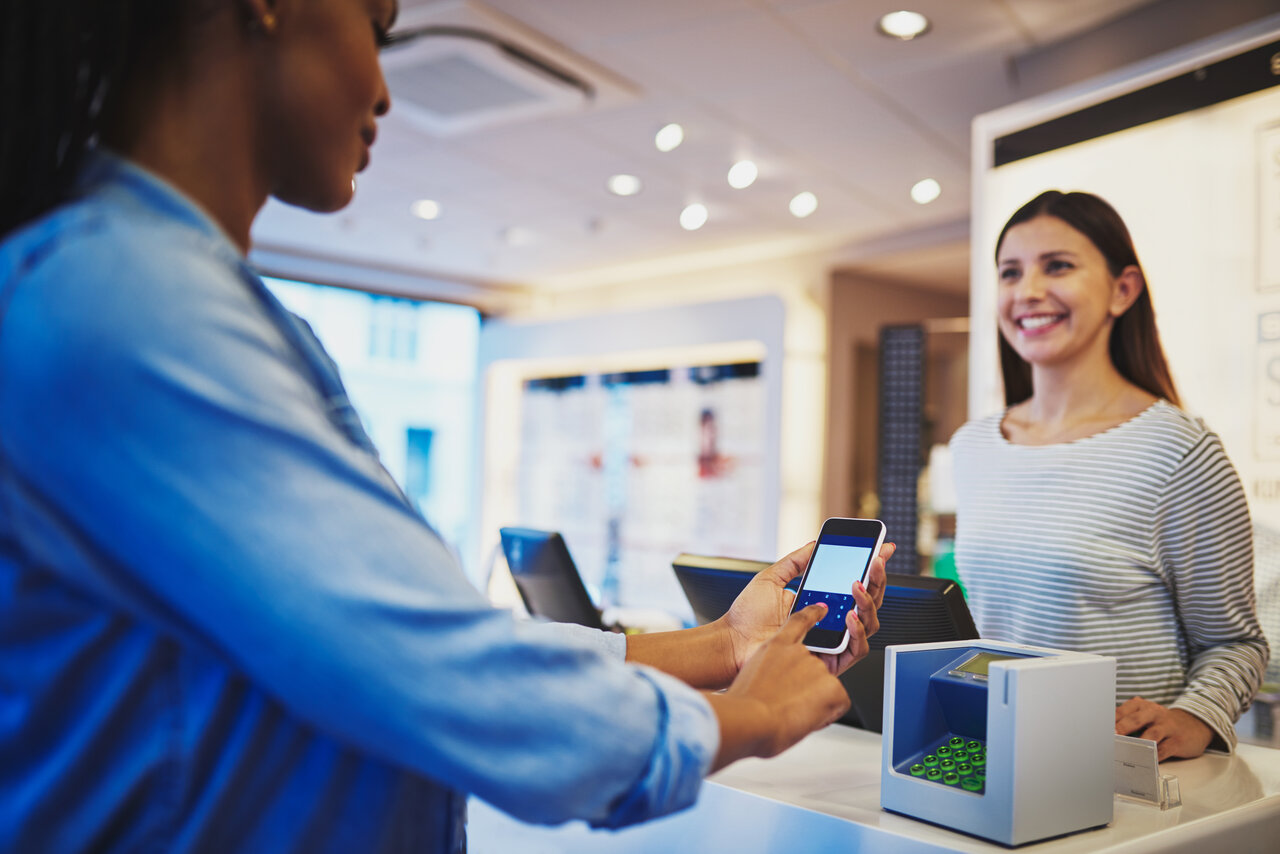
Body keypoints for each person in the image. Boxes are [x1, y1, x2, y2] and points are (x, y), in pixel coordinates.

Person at [0, 2, 894, 851]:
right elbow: (444, 673)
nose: (382, 89)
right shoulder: (124, 302)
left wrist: (727, 645)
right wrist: (755, 711)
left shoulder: (177, 300)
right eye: (378, 26)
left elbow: (425, 636)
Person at [950, 190, 1269, 761]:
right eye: (1010, 273)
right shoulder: (973, 447)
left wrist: (1195, 716)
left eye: (1058, 266)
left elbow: (1236, 643)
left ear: (1123, 290)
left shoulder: (1180, 451)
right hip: (996, 757)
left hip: (1121, 779)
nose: (1027, 292)